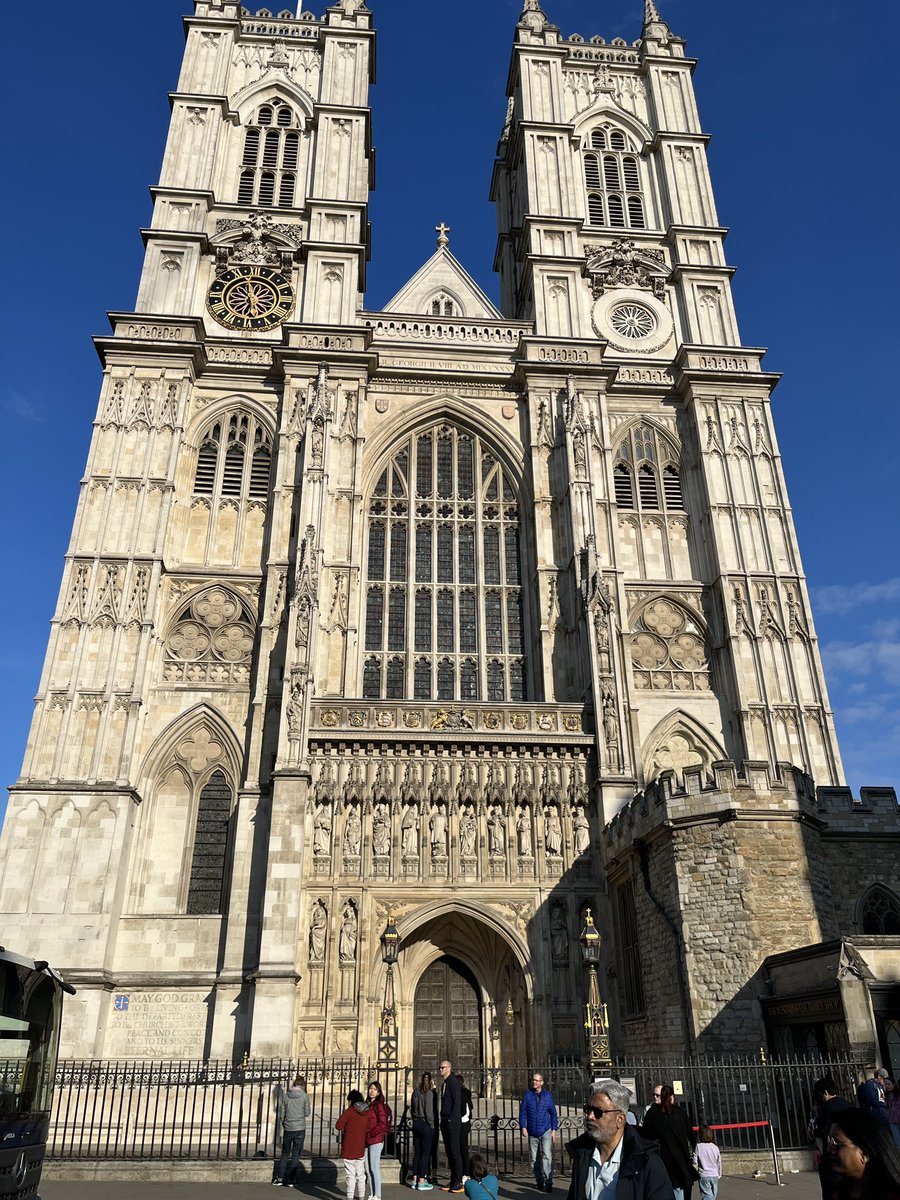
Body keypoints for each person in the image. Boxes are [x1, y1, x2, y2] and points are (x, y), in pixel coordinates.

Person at [565, 1078, 674, 1200]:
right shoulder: (582, 1155)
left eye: (598, 1112)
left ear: (620, 1119)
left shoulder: (647, 1162)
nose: (590, 1116)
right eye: (587, 1109)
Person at [827, 1108, 900, 1200]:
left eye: (836, 1143)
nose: (829, 1150)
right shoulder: (839, 1191)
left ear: (865, 1153)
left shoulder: (892, 1194)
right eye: (829, 1142)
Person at [640, 1084, 696, 1200]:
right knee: (682, 1188)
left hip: (662, 1157)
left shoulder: (653, 1113)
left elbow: (645, 1134)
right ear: (671, 1097)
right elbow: (691, 1134)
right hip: (680, 1157)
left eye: (657, 1095)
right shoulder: (680, 1112)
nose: (655, 1097)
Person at [812, 1076, 852, 1200]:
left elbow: (826, 1130)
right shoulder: (846, 1103)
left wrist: (815, 1131)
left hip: (833, 1155)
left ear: (825, 1092)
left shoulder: (829, 1107)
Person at [520, 1071, 559, 1192]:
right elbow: (522, 1112)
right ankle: (539, 1181)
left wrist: (554, 1129)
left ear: (541, 1082)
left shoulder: (547, 1096)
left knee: (547, 1156)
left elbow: (553, 1113)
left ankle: (548, 1181)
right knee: (534, 1158)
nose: (534, 1082)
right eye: (533, 1080)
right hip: (532, 1130)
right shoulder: (528, 1095)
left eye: (537, 1080)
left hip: (545, 1130)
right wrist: (523, 1126)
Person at [273, 1073, 311, 1186]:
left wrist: (285, 1122)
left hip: (288, 1128)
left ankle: (279, 1178)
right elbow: (307, 1112)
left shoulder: (286, 1095)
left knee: (285, 1154)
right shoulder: (304, 1096)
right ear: (303, 1085)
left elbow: (282, 1113)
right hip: (300, 1128)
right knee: (295, 1154)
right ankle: (291, 1180)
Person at [336, 1089, 370, 1200]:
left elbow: (338, 1125)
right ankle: (361, 1197)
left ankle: (350, 1197)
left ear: (351, 1100)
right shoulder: (366, 1112)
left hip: (349, 1147)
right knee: (361, 1175)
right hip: (360, 1147)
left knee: (350, 1175)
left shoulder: (350, 1111)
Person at [439, 1058, 464, 1192]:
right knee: (449, 1152)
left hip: (452, 1122)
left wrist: (451, 1120)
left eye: (442, 1067)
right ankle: (453, 1179)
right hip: (445, 1120)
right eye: (440, 1067)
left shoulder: (453, 1082)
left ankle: (458, 1181)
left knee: (455, 1152)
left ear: (448, 1068)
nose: (440, 1070)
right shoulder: (445, 1083)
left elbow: (456, 1103)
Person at [411, 1072, 439, 1190]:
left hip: (416, 1123)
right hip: (425, 1124)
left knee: (417, 1153)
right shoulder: (429, 1093)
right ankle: (422, 1181)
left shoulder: (415, 1092)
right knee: (425, 1154)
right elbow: (429, 1112)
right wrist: (432, 1125)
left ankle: (414, 1179)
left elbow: (412, 1108)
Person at [365, 1079, 392, 1200]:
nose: (372, 1091)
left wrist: (371, 1133)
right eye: (371, 1088)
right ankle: (372, 1194)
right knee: (367, 1168)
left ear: (379, 1092)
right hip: (366, 1139)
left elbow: (382, 1123)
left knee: (374, 1168)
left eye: (375, 1089)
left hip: (375, 1139)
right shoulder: (367, 1104)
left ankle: (378, 1195)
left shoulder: (379, 1105)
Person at [692, 1127, 721, 1200]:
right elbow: (719, 1162)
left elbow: (695, 1160)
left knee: (706, 1195)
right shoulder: (715, 1147)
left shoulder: (699, 1146)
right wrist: (719, 1174)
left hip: (704, 1174)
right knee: (713, 1194)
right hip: (714, 1174)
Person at [458, 1075, 474, 1181]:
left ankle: (465, 1172)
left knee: (462, 1149)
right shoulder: (467, 1092)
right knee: (463, 1149)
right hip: (466, 1122)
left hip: (462, 1123)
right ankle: (464, 1171)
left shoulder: (461, 1094)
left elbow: (464, 1110)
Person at [887, 1077, 900, 1148]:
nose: (887, 1086)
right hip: (892, 1122)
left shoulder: (898, 1094)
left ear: (894, 1084)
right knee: (897, 1142)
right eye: (886, 1084)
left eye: (889, 1084)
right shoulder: (888, 1095)